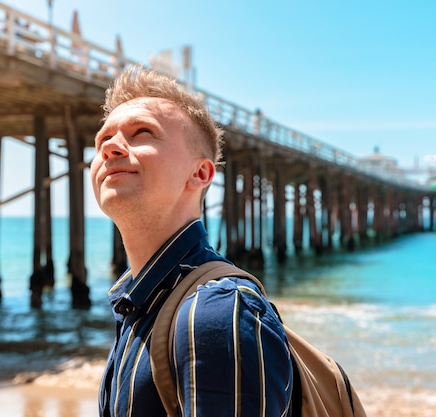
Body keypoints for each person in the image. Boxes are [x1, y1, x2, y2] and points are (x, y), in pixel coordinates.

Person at [91, 64, 293, 417]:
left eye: (142, 133)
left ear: (200, 173)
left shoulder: (216, 314)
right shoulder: (135, 303)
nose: (111, 148)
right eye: (102, 140)